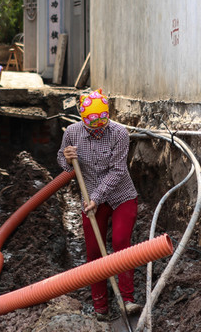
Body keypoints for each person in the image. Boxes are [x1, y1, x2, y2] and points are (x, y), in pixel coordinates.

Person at [58, 89, 142, 321]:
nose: (96, 127)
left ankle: (127, 299)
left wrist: (97, 196)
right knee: (95, 250)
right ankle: (100, 306)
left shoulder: (118, 133)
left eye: (101, 121)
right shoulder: (73, 133)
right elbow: (63, 165)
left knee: (120, 244)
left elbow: (117, 171)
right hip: (91, 201)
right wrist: (66, 156)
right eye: (91, 122)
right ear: (82, 117)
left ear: (107, 115)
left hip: (121, 195)